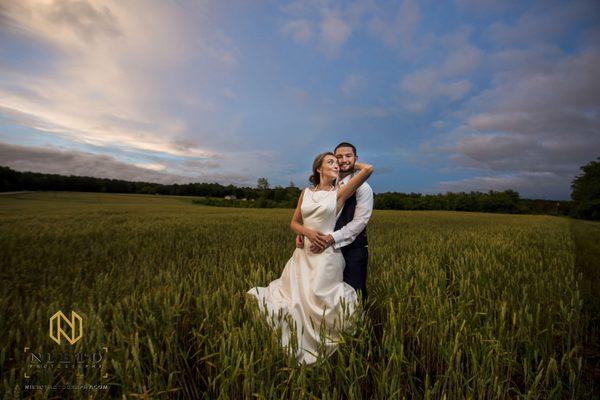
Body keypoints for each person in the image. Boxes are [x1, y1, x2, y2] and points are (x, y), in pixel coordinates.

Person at [246, 152, 374, 365]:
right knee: (296, 301)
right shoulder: (305, 193)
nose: (337, 165)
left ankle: (327, 345)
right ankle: (294, 342)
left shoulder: (339, 194)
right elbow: (294, 223)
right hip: (302, 255)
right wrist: (307, 232)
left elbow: (367, 169)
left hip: (325, 255)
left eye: (338, 162)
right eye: (331, 162)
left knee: (319, 299)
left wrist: (348, 164)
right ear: (318, 169)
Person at [296, 142, 373, 305]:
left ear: (356, 158)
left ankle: (360, 329)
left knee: (354, 296)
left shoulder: (363, 188)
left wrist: (331, 238)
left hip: (353, 250)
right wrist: (303, 231)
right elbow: (317, 213)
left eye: (348, 156)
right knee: (324, 297)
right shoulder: (330, 183)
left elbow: (359, 222)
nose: (343, 160)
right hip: (325, 250)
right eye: (339, 157)